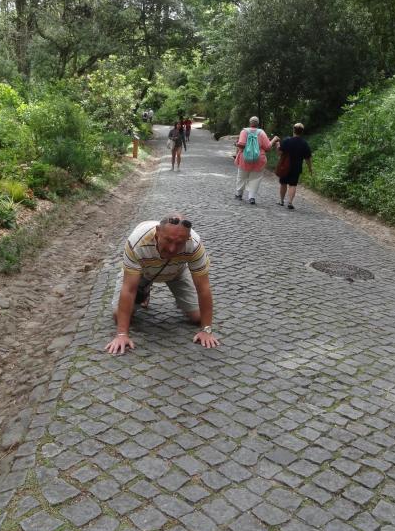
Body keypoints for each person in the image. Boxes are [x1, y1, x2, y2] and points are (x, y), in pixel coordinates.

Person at [106, 215, 220, 355]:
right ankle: (144, 290)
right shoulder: (137, 242)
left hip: (176, 272)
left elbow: (203, 288)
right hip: (143, 272)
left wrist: (206, 330)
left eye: (179, 243)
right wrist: (122, 335)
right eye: (168, 240)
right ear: (158, 231)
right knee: (119, 316)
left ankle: (180, 300)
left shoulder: (194, 244)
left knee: (198, 317)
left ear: (188, 238)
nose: (172, 249)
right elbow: (129, 289)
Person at [234, 116, 277, 205]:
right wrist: (274, 140)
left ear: (250, 123)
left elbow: (241, 145)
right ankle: (251, 197)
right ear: (258, 124)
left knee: (241, 176)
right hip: (258, 159)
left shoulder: (244, 131)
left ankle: (239, 194)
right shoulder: (261, 133)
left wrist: (236, 144)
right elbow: (268, 147)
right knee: (255, 178)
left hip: (244, 159)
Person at [275, 122, 313, 209]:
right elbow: (308, 158)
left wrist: (277, 146)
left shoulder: (287, 141)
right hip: (296, 167)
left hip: (285, 166)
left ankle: (281, 201)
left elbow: (279, 153)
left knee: (283, 183)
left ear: (293, 130)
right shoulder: (304, 143)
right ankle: (290, 202)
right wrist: (310, 168)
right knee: (293, 184)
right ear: (302, 132)